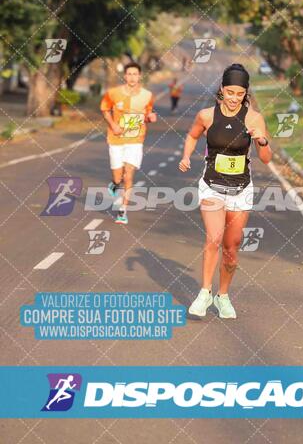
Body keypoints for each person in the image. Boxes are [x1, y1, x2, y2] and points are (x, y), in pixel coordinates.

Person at [179, 63, 272, 319]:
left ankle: (223, 296)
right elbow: (191, 135)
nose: (234, 98)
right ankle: (205, 292)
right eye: (229, 92)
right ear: (222, 89)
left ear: (246, 93)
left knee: (231, 249)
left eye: (239, 94)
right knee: (213, 238)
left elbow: (266, 158)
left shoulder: (253, 118)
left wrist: (261, 140)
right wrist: (186, 156)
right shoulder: (207, 115)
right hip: (212, 187)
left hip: (241, 190)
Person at [100, 62, 157, 224]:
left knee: (129, 174)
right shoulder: (113, 93)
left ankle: (122, 211)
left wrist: (150, 118)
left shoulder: (147, 95)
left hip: (136, 140)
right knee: (118, 177)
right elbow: (105, 109)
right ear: (125, 76)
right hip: (116, 139)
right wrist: (113, 125)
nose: (132, 77)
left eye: (135, 74)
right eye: (129, 74)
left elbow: (148, 114)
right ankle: (114, 183)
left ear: (140, 76)